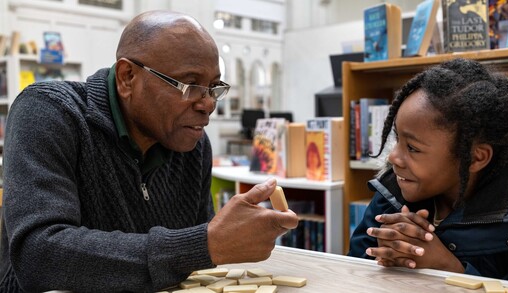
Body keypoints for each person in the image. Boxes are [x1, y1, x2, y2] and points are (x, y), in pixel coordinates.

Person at [0, 10, 298, 292]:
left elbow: (192, 263)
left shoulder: (193, 145)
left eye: (214, 87)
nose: (208, 103)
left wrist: (216, 242)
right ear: (127, 77)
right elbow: (38, 253)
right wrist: (204, 245)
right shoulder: (49, 112)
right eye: (190, 84)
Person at [348, 58, 508, 289]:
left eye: (412, 148)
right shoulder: (391, 196)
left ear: (476, 158)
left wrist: (446, 268)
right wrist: (379, 259)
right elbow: (348, 276)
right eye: (397, 139)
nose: (393, 157)